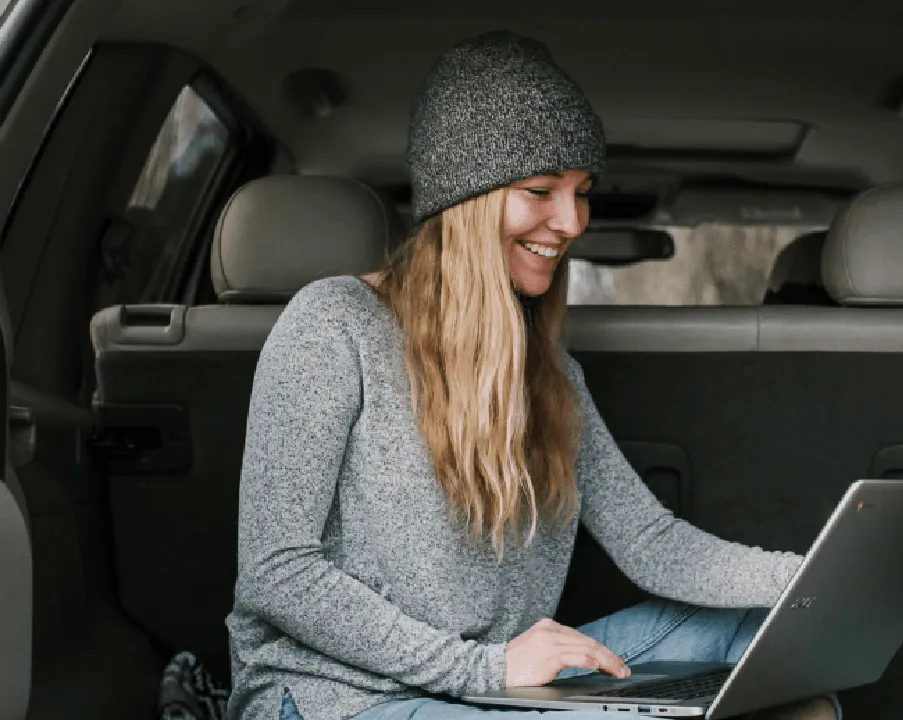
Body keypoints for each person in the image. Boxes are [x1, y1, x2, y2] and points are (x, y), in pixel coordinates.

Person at [224, 31, 840, 720]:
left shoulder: (550, 373)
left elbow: (651, 542)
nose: (571, 222)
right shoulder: (334, 324)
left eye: (581, 193)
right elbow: (277, 573)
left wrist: (812, 579)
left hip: (496, 684)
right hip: (342, 696)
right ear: (465, 202)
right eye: (541, 190)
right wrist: (483, 670)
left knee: (769, 639)